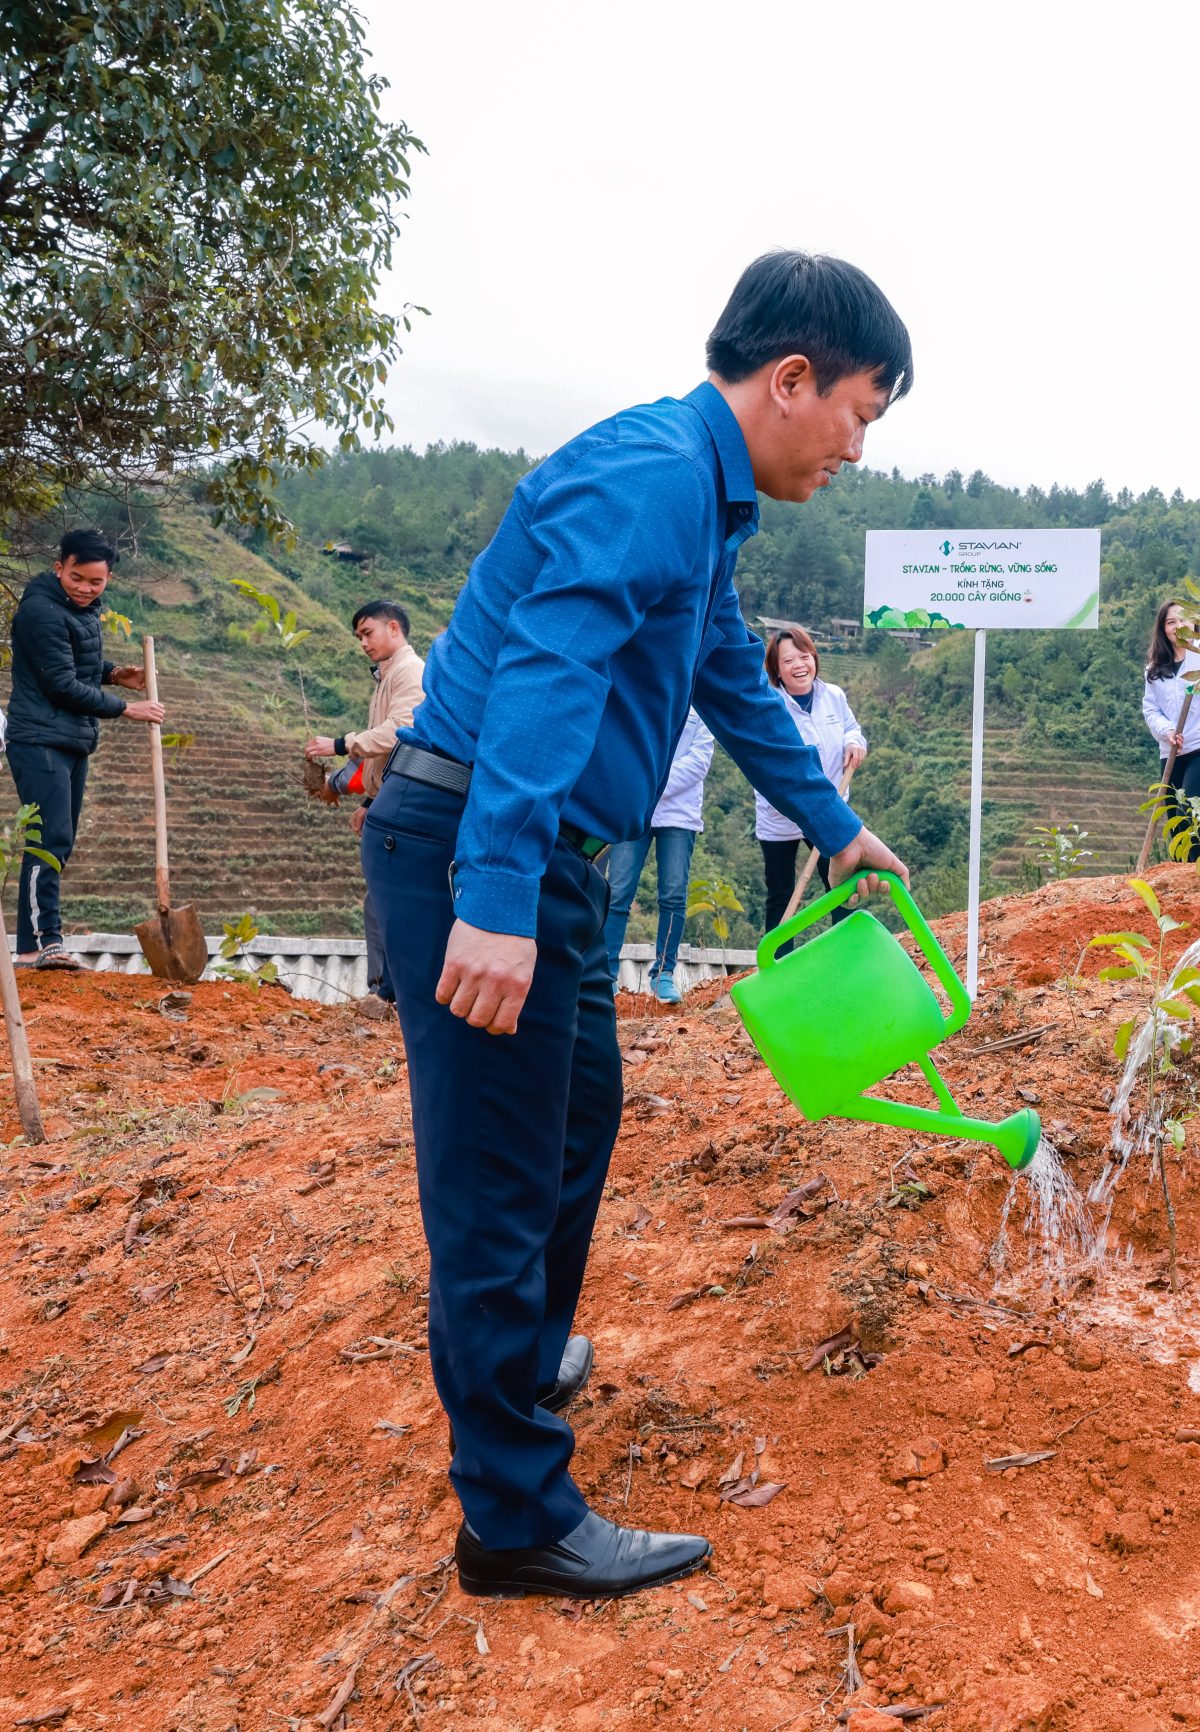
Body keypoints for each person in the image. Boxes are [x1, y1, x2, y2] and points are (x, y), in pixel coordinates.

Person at [366, 250, 912, 1599]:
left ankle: (530, 1355)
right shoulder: (657, 477)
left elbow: (724, 667)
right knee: (497, 1187)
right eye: (860, 411)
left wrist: (833, 825)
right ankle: (513, 1517)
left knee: (573, 1118)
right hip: (480, 853)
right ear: (791, 380)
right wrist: (491, 899)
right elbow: (547, 674)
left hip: (551, 862)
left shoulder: (702, 502)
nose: (856, 445)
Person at [6, 529, 167, 968]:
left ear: (108, 578)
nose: (85, 588)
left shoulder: (80, 611)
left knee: (58, 840)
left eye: (95, 582)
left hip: (68, 738)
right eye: (77, 577)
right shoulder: (40, 611)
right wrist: (126, 708)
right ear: (60, 568)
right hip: (38, 737)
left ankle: (29, 948)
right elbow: (59, 684)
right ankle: (46, 942)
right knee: (47, 839)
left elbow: (78, 663)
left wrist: (115, 673)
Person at [303, 600, 426, 1001]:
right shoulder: (386, 677)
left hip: (408, 802)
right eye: (358, 637)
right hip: (390, 799)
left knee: (388, 900)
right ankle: (388, 989)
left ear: (394, 628)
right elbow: (385, 759)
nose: (363, 643)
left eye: (367, 633)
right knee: (382, 898)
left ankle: (389, 992)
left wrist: (340, 744)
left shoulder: (410, 672)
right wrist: (371, 802)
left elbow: (400, 733)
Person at [754, 623, 867, 938]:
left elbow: (851, 727)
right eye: (788, 661)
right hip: (780, 815)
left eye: (803, 657)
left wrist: (854, 744)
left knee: (838, 885)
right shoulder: (769, 704)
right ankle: (778, 962)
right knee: (780, 893)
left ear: (814, 658)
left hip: (827, 808)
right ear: (777, 670)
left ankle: (845, 950)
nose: (798, 666)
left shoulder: (833, 695)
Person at [602, 708, 712, 1003]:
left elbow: (699, 762)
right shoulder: (648, 693)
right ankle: (606, 974)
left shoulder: (700, 709)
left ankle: (663, 973)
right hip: (635, 811)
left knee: (674, 896)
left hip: (680, 816)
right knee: (618, 893)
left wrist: (653, 784)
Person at [1144, 597, 1200, 860]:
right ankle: (1186, 878)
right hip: (1171, 752)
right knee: (1175, 825)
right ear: (1163, 629)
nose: (1178, 625)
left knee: (1189, 811)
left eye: (1183, 618)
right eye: (1171, 621)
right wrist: (1167, 731)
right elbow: (1151, 709)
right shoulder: (1155, 669)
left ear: (1195, 622)